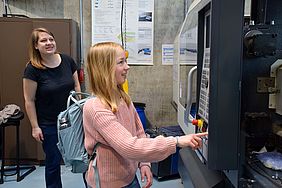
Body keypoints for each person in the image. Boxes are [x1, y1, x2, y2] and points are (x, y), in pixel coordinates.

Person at [83, 42, 208, 188]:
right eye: (121, 62)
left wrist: (144, 164)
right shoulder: (96, 108)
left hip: (129, 178)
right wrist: (176, 141)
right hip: (108, 184)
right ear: (104, 68)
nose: (127, 67)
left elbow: (139, 132)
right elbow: (129, 146)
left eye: (126, 61)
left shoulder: (122, 97)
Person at [23, 28, 81, 188]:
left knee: (82, 157)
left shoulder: (68, 61)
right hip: (49, 124)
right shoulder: (32, 69)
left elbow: (76, 85)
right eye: (43, 40)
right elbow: (29, 100)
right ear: (35, 46)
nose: (49, 43)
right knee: (53, 162)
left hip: (72, 120)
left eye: (51, 39)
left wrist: (81, 110)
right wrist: (35, 127)